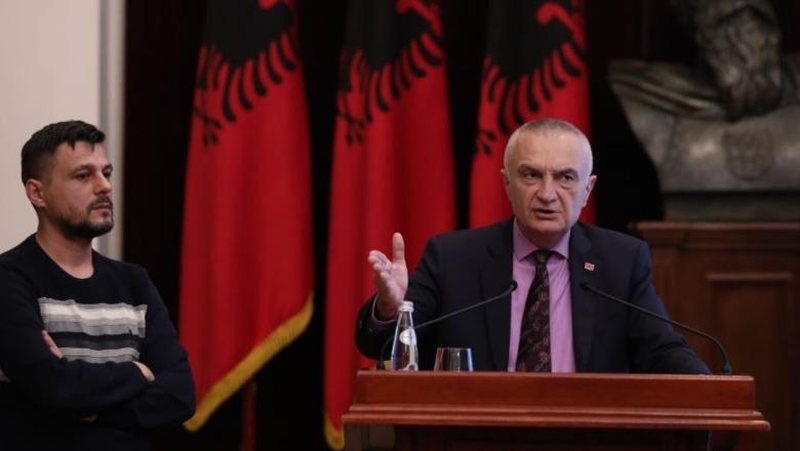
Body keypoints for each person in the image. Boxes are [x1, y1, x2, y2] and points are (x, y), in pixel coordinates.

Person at [355, 118, 710, 374]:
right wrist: (390, 310)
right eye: (531, 175)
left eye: (565, 177)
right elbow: (381, 348)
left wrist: (710, 389)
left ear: (588, 189)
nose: (547, 194)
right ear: (507, 183)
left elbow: (660, 348)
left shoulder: (621, 261)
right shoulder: (453, 259)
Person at [0, 121, 195, 450]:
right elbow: (53, 385)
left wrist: (81, 407)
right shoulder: (9, 278)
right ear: (37, 193)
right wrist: (136, 372)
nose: (104, 186)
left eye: (106, 173)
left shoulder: (134, 282)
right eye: (83, 175)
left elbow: (179, 396)